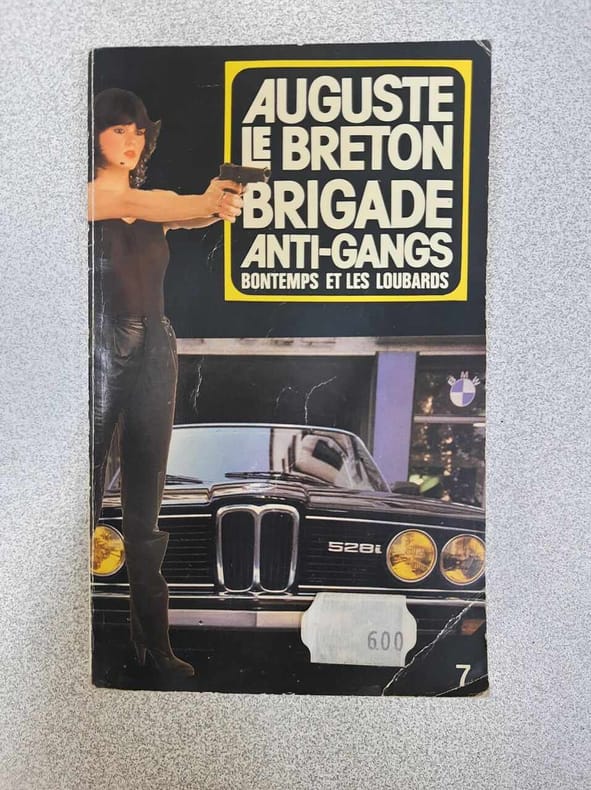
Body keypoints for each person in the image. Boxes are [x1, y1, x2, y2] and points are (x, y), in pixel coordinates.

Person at [89, 88, 243, 678]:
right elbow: (146, 204)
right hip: (99, 346)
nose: (131, 142)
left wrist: (219, 202)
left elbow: (185, 212)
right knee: (81, 492)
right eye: (118, 130)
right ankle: (60, 643)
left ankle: (153, 648)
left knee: (146, 505)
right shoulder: (84, 195)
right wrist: (202, 201)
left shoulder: (149, 203)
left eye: (138, 133)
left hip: (157, 343)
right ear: (92, 136)